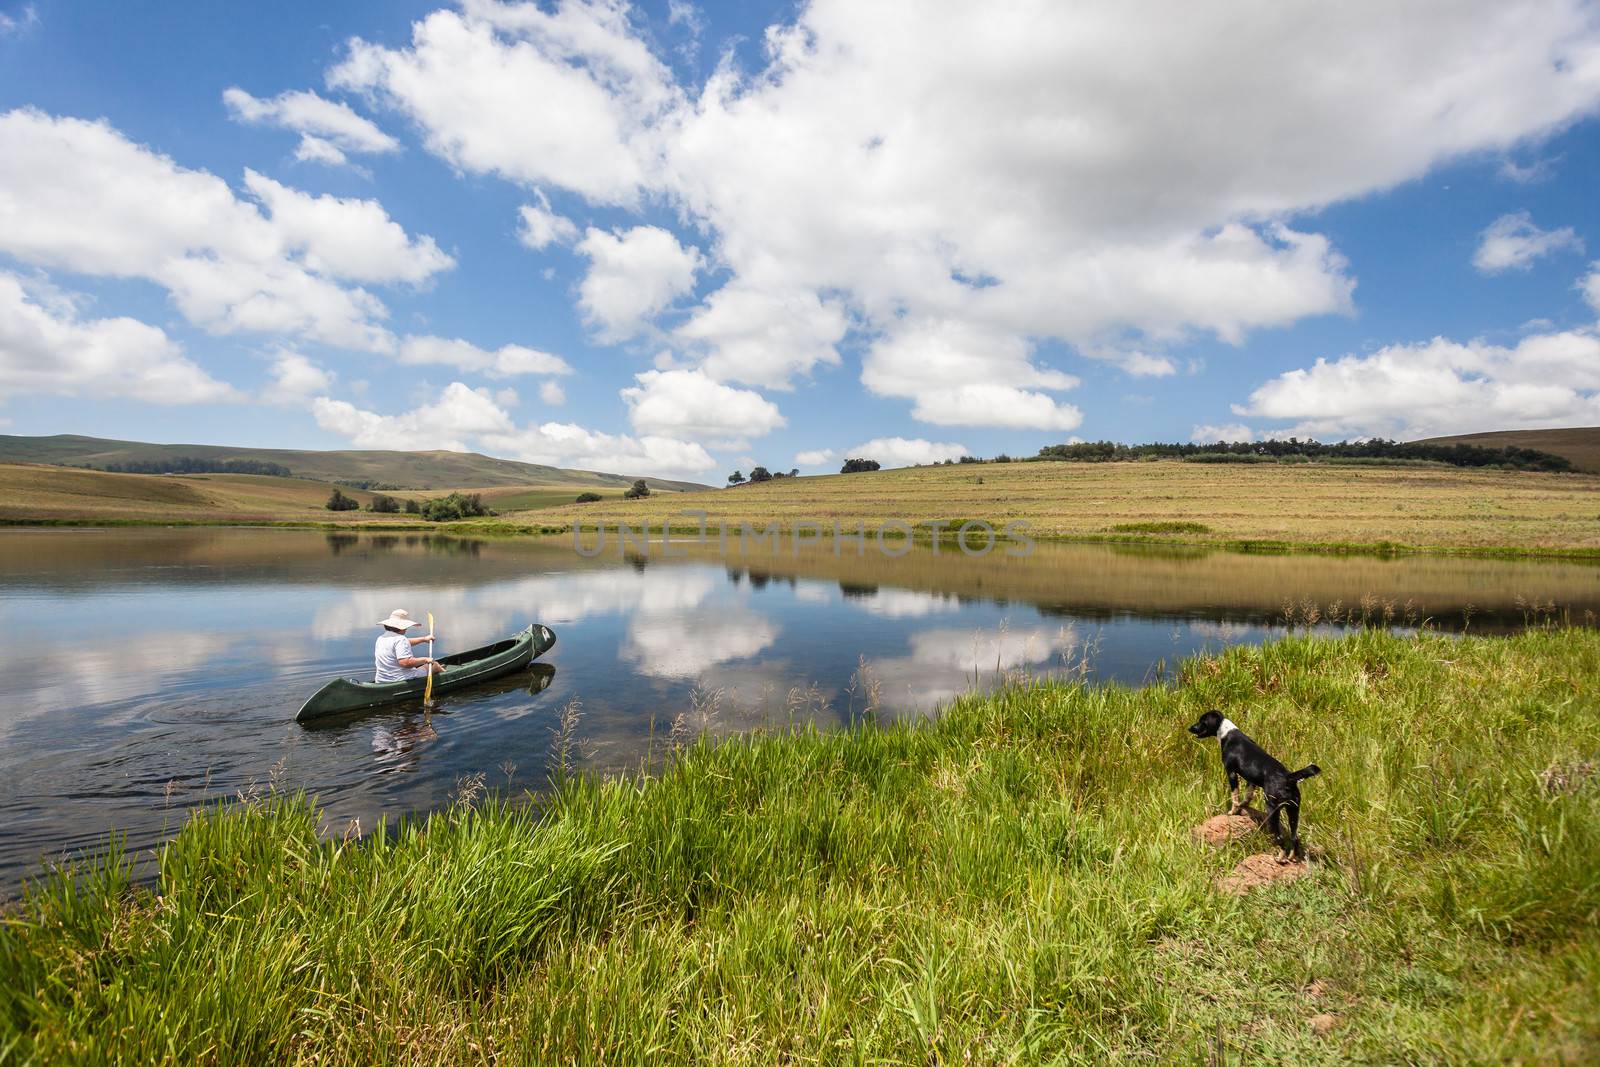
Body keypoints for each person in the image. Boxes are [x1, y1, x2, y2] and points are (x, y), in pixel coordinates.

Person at [374, 609, 447, 682]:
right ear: (401, 627)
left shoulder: (381, 638)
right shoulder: (401, 639)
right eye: (406, 627)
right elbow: (405, 663)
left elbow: (406, 643)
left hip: (381, 679)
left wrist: (424, 639)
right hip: (401, 678)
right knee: (435, 665)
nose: (406, 629)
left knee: (425, 665)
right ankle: (447, 676)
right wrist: (425, 659)